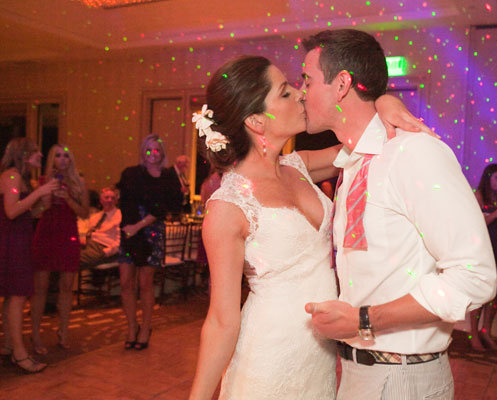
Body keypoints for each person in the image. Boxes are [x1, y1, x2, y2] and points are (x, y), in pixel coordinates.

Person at [188, 55, 428, 400]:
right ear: (257, 120)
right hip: (267, 356)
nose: (301, 95)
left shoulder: (297, 166)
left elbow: (362, 138)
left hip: (318, 350)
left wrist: (385, 102)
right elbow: (221, 321)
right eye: (285, 93)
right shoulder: (227, 206)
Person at [302, 29, 496, 399]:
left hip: (402, 380)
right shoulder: (353, 163)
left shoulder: (413, 153)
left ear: (341, 84)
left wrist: (363, 319)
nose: (301, 92)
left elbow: (475, 277)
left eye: (307, 80)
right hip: (360, 373)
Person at [116, 134, 182, 351]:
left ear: (162, 153)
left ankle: (145, 328)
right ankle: (131, 326)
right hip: (128, 231)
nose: (152, 154)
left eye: (156, 150)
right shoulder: (131, 173)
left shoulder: (168, 176)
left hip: (151, 232)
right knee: (126, 281)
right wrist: (128, 226)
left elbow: (164, 208)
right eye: (148, 149)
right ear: (142, 151)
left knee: (145, 283)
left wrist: (138, 227)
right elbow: (123, 200)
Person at [0, 138, 58, 373]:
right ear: (23, 155)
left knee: (13, 296)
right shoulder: (12, 176)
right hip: (10, 243)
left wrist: (43, 200)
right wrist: (40, 192)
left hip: (18, 241)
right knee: (17, 296)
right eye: (35, 151)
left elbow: (27, 211)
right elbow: (12, 211)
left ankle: (8, 346)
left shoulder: (20, 178)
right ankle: (20, 354)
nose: (41, 155)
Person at [31, 144, 90, 352]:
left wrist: (68, 199)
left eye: (66, 156)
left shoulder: (78, 183)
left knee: (66, 287)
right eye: (58, 156)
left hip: (68, 235)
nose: (62, 159)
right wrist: (44, 201)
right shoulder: (40, 182)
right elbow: (33, 212)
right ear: (51, 160)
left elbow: (84, 213)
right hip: (45, 234)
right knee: (40, 288)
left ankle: (63, 331)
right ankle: (35, 336)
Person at [470, 163, 497, 352]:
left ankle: (487, 331)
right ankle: (473, 334)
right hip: (483, 246)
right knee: (480, 292)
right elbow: (477, 223)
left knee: (496, 293)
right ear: (488, 177)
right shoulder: (478, 196)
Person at [80, 187, 122, 267]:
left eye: (113, 198)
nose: (110, 200)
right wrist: (82, 237)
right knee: (63, 254)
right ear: (101, 200)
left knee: (73, 259)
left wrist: (107, 252)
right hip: (89, 244)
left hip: (104, 247)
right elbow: (84, 230)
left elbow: (121, 240)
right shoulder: (95, 217)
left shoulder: (120, 216)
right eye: (106, 198)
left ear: (116, 201)